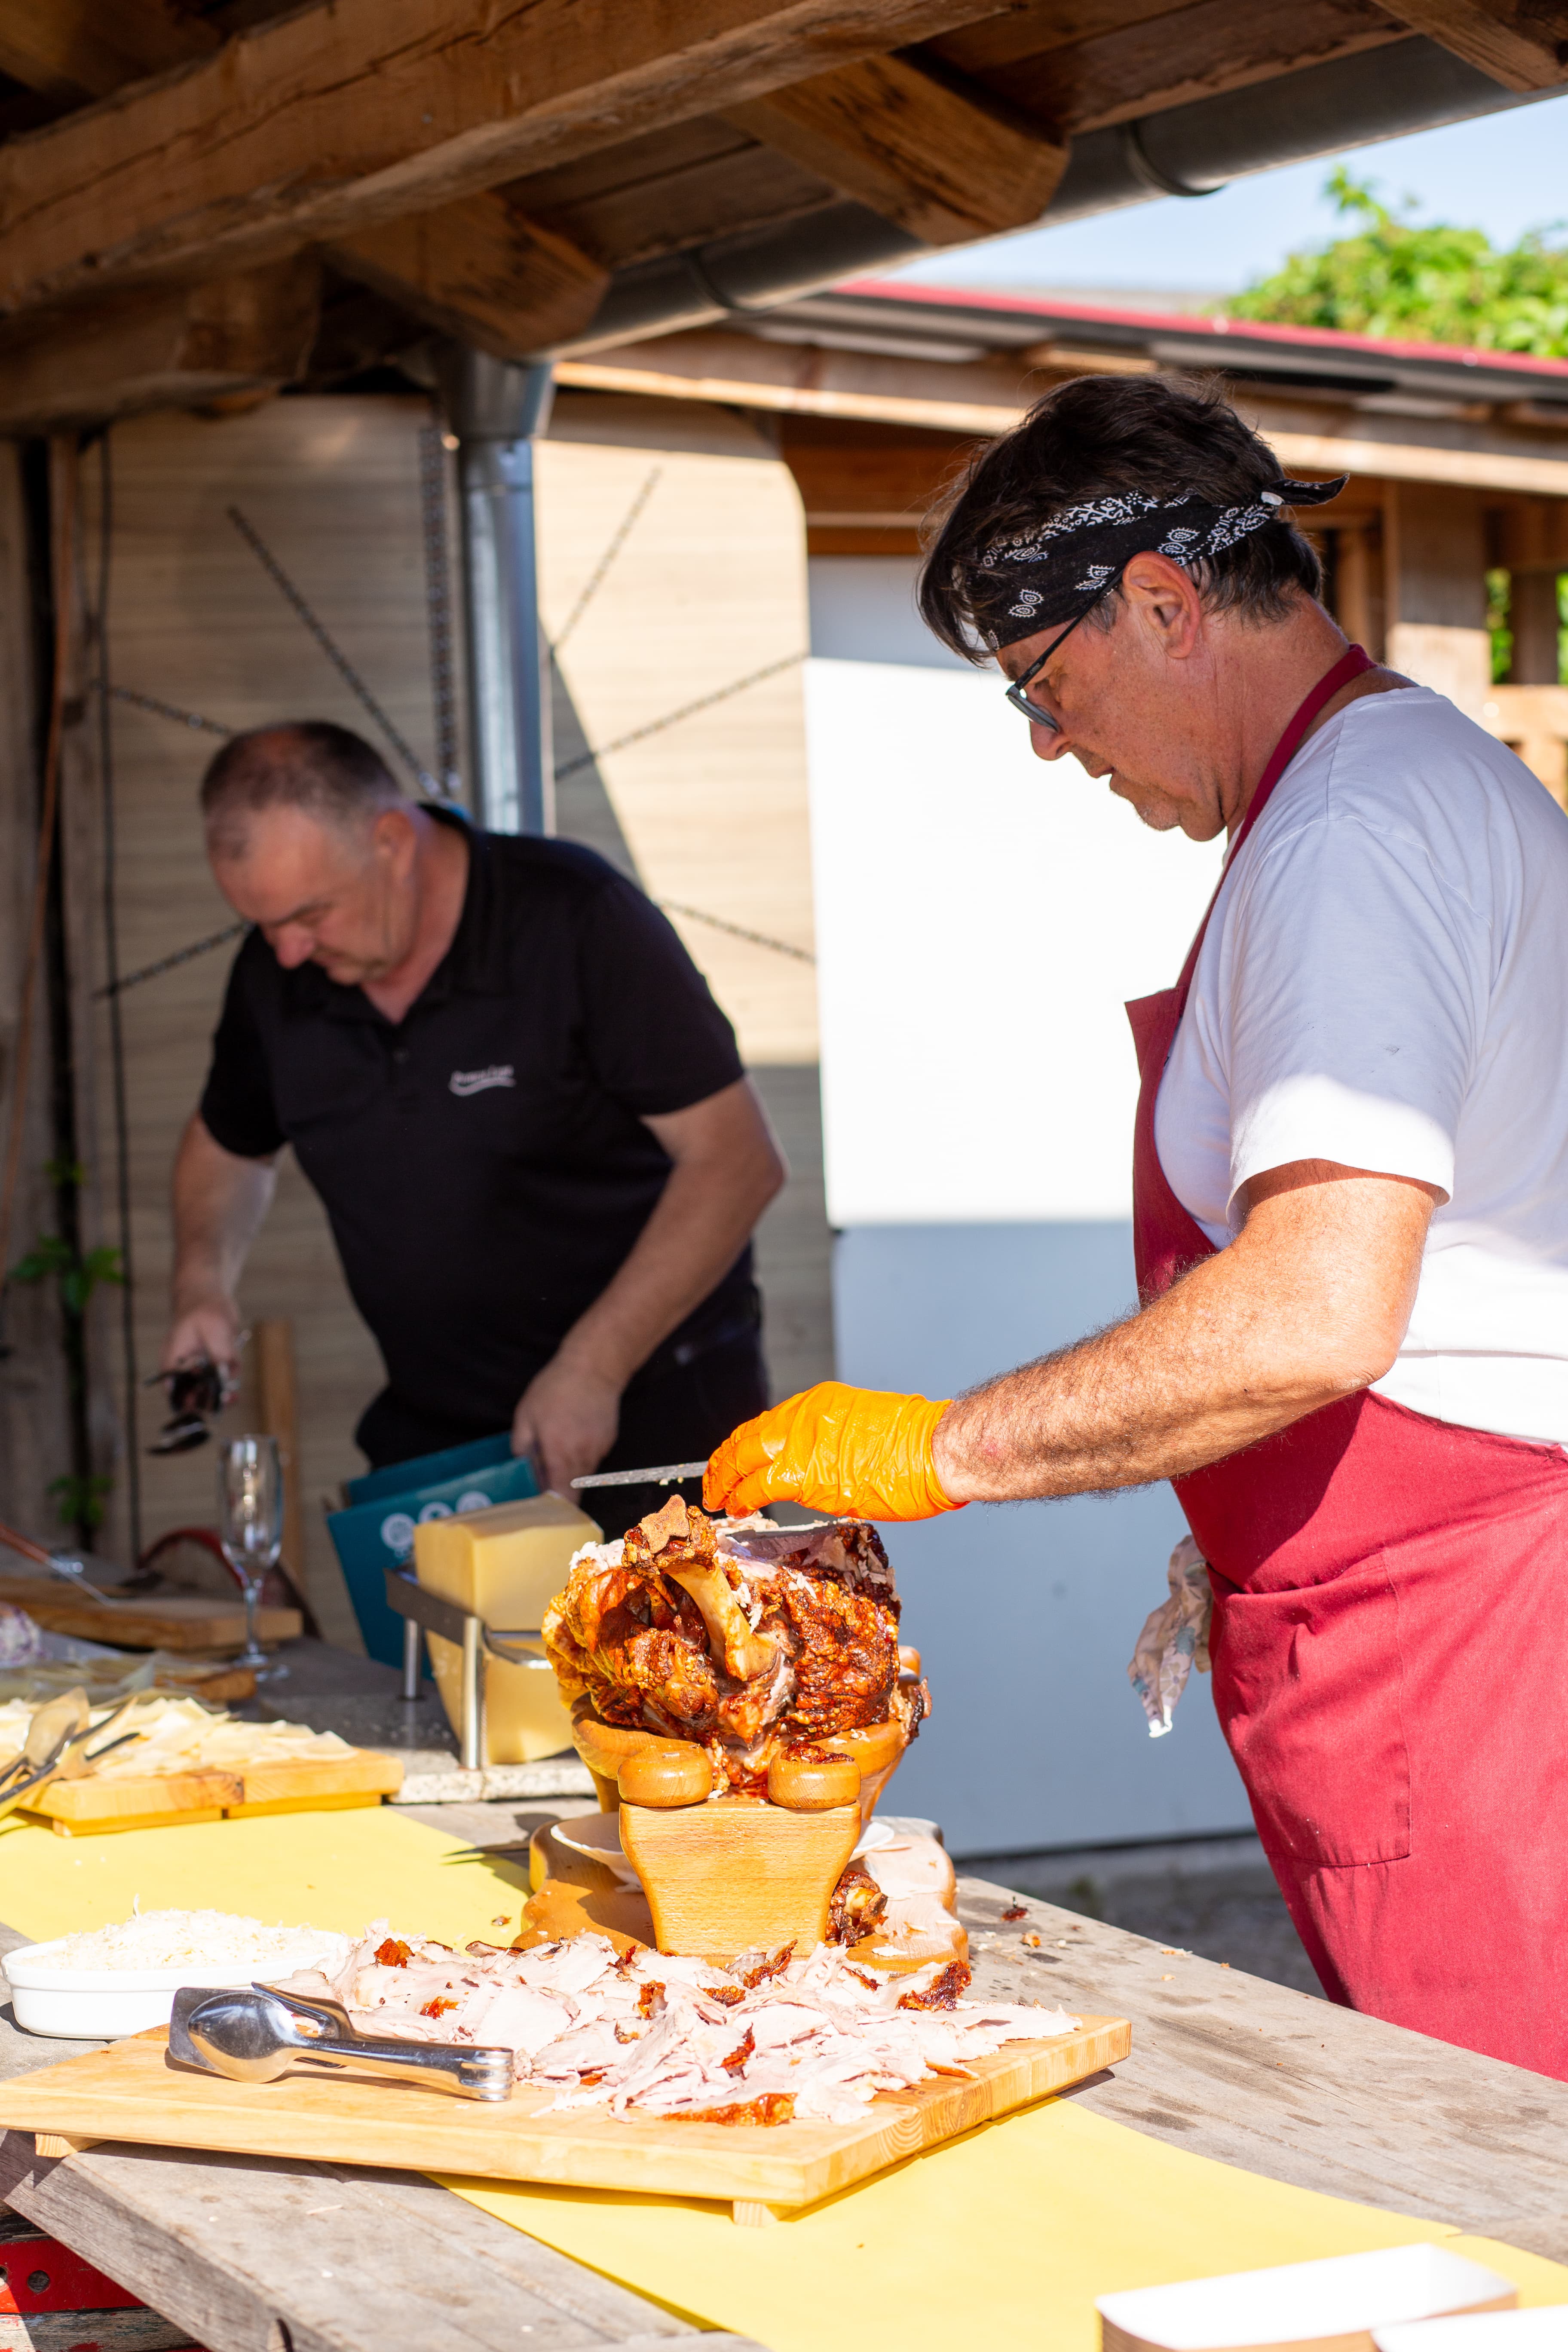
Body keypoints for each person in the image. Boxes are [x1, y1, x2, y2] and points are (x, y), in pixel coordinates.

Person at [705, 375, 1568, 2079]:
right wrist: (1235, 1505)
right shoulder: (1392, 789)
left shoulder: (1353, 831)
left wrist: (941, 1446)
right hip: (1411, 1602)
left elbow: (1315, 1310)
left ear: (1163, 603)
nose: (1046, 742)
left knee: (1504, 2166)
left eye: (1043, 684)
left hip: (1462, 1639)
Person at [163, 723, 785, 1507]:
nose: (289, 952)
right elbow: (229, 1145)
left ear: (392, 842)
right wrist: (201, 1286)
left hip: (656, 1413)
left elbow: (736, 1161)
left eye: (311, 915)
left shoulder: (575, 919)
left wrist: (593, 1367)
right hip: (446, 1435)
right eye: (265, 926)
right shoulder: (275, 975)